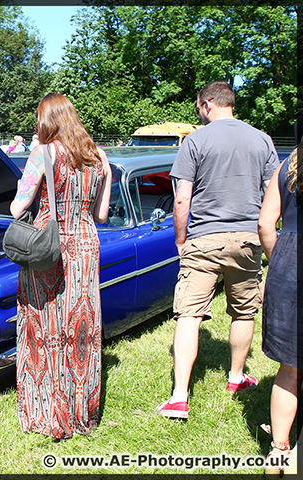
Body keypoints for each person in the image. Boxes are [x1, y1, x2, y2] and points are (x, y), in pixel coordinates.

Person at [156, 81, 279, 419]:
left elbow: (182, 198)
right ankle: (237, 378)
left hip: (204, 239)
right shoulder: (262, 139)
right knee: (244, 311)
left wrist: (181, 239)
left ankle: (179, 397)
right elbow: (273, 193)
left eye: (198, 107)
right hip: (248, 238)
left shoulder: (195, 140)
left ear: (207, 104)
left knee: (189, 314)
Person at [9, 92, 112, 440]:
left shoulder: (44, 152)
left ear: (47, 120)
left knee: (45, 327)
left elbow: (16, 208)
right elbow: (100, 215)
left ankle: (48, 412)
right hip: (85, 245)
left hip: (48, 249)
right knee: (80, 327)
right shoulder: (99, 157)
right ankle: (81, 411)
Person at [258, 140, 302, 475]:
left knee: (290, 366)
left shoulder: (287, 165)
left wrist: (282, 259)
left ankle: (279, 450)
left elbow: (265, 224)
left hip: (289, 261)